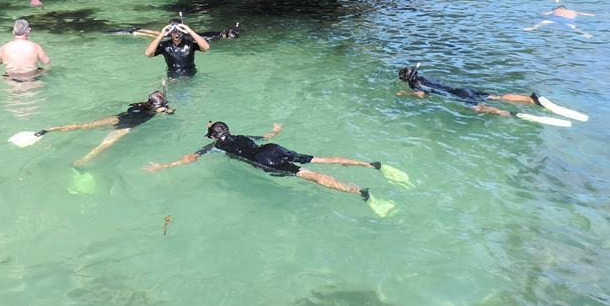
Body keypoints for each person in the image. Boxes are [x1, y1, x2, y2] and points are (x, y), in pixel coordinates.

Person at [144, 121, 390, 210]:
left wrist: (164, 166)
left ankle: (359, 191)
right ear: (227, 130)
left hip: (265, 161)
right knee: (319, 159)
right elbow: (267, 138)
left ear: (212, 137)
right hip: (272, 149)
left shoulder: (216, 147)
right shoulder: (242, 136)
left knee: (311, 175)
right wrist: (275, 130)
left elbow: (191, 158)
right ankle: (369, 164)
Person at [35, 91, 174, 168]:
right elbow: (167, 112)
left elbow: (132, 110)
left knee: (85, 125)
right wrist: (165, 110)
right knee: (103, 146)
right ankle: (79, 164)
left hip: (117, 118)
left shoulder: (140, 105)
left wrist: (163, 108)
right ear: (156, 106)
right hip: (126, 127)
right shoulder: (155, 111)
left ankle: (48, 130)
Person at [397, 65, 542, 117]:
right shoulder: (424, 78)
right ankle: (530, 99)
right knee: (496, 97)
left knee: (478, 108)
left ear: (406, 80)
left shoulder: (415, 84)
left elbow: (422, 95)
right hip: (462, 90)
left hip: (457, 96)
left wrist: (406, 94)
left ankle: (509, 114)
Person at [144, 19, 210, 76]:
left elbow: (206, 48)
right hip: (173, 78)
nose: (176, 33)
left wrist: (190, 31)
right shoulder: (164, 45)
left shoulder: (190, 43)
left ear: (182, 31)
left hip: (190, 77)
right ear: (169, 32)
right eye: (173, 31)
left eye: (179, 31)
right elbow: (148, 54)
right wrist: (161, 35)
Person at [524, 0, 594, 37]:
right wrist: (590, 15)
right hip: (568, 20)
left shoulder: (556, 10)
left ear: (559, 8)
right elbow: (582, 13)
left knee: (542, 22)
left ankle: (532, 28)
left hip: (557, 18)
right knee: (574, 28)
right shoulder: (572, 11)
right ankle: (586, 34)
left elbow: (545, 14)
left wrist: (542, 13)